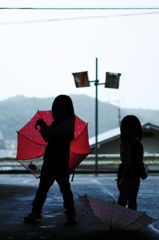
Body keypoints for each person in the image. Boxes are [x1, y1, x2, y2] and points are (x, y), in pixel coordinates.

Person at [24, 95, 77, 224]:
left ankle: (70, 214)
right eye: (58, 107)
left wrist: (45, 126)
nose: (60, 110)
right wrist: (42, 128)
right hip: (49, 160)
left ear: (69, 109)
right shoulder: (54, 123)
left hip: (61, 162)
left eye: (63, 107)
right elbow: (48, 138)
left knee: (65, 189)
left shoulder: (69, 122)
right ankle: (36, 212)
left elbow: (57, 131)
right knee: (42, 189)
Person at [117, 115, 147, 210]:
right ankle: (121, 218)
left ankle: (127, 217)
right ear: (126, 130)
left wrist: (141, 171)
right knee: (124, 198)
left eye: (137, 128)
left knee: (132, 198)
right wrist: (129, 166)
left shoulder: (138, 144)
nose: (136, 131)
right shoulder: (126, 143)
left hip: (135, 174)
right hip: (126, 174)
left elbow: (139, 160)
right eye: (133, 128)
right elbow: (124, 156)